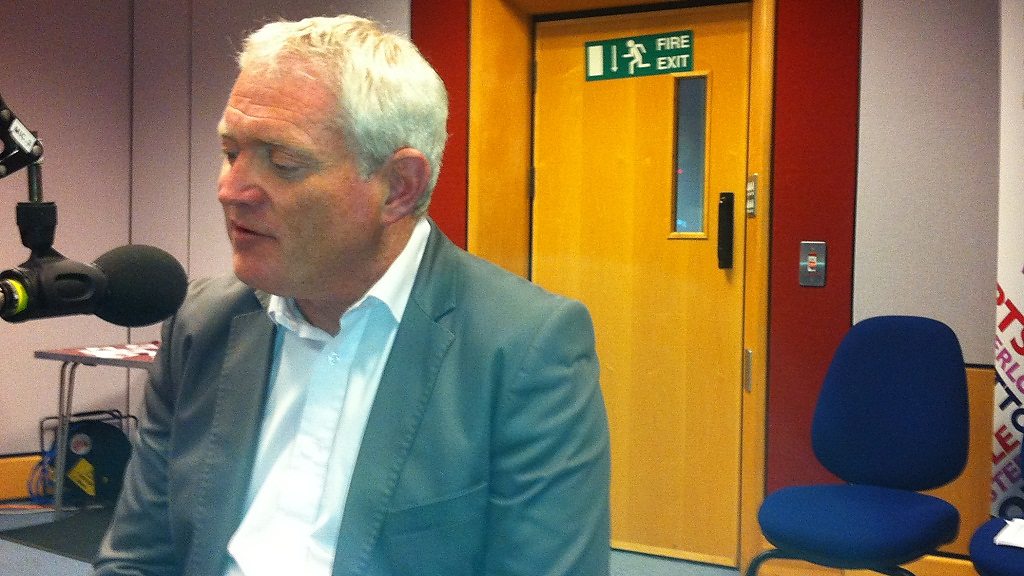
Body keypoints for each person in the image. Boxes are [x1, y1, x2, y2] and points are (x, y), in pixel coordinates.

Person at [92, 14, 610, 576]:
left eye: (283, 162)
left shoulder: (523, 347)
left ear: (399, 187)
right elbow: (138, 558)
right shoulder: (203, 321)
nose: (231, 190)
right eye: (231, 151)